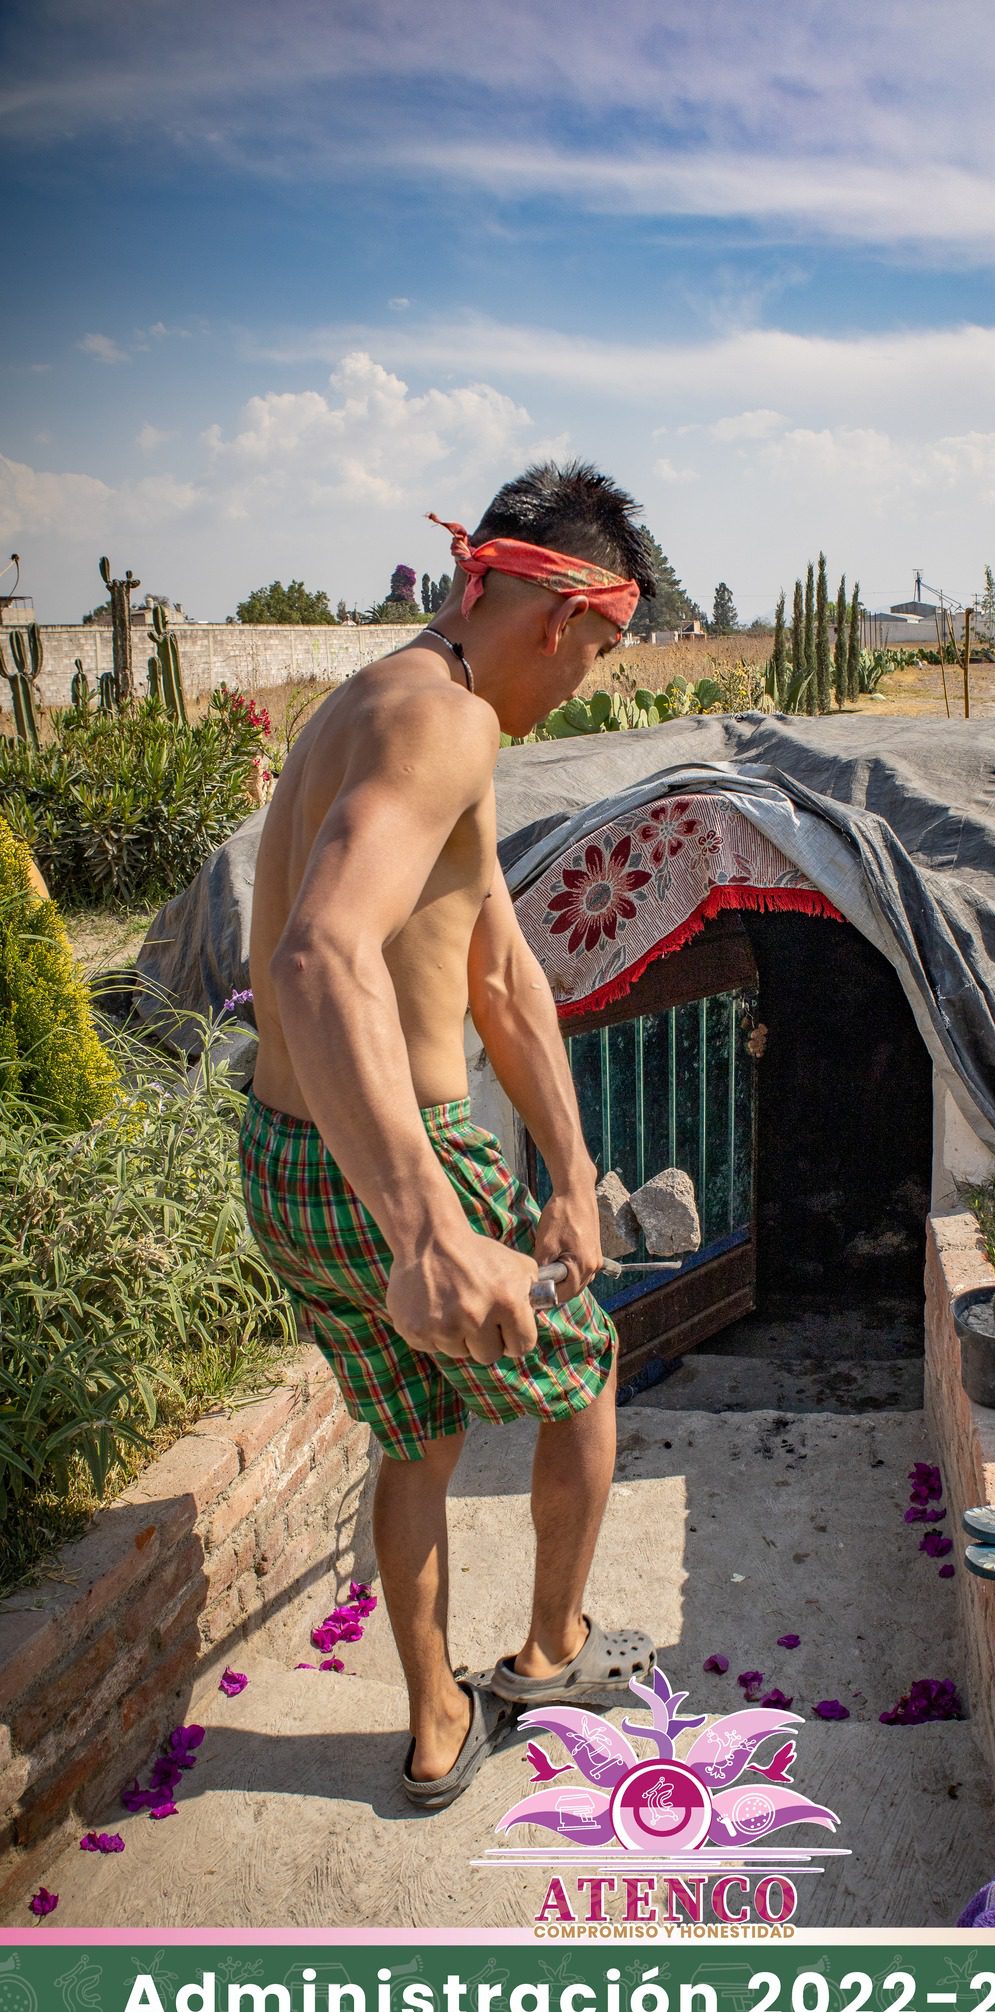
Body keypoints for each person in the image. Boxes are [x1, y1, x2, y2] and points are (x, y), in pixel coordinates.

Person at [239, 461, 659, 1809]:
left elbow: (499, 970)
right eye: (599, 653)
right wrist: (428, 1226)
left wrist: (576, 1177)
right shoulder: (446, 727)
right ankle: (548, 1653)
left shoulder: (388, 697)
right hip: (397, 1156)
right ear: (556, 619)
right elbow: (316, 957)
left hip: (290, 1162)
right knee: (582, 1381)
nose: (587, 681)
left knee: (413, 1435)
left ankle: (434, 1725)